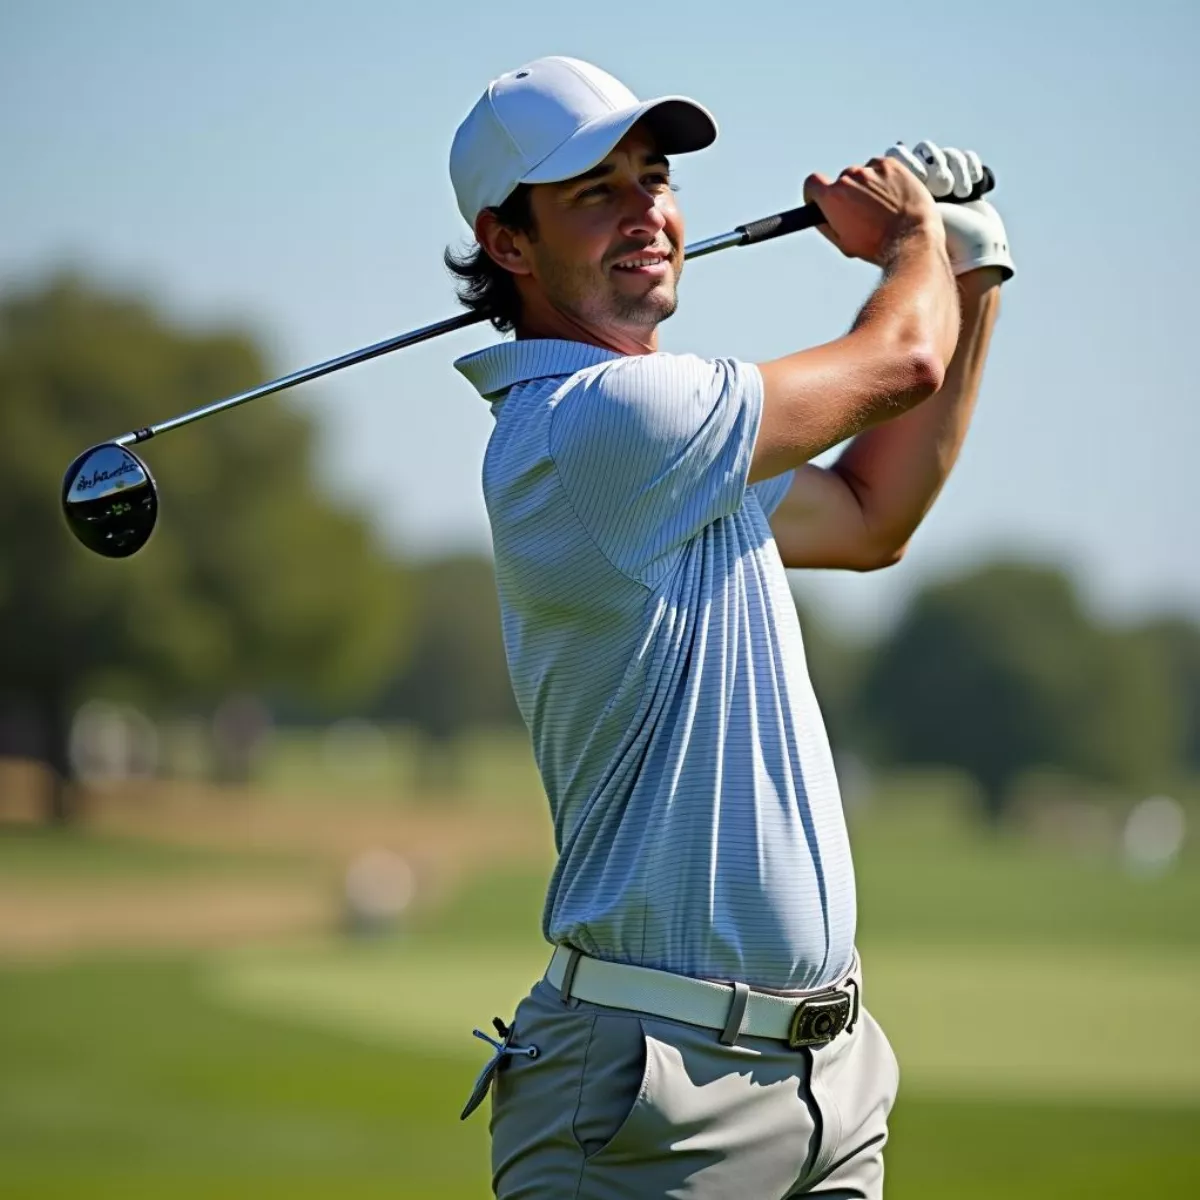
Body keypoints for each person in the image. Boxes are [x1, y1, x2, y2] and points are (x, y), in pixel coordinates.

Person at [447, 55, 1013, 1200]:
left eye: (652, 179)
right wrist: (911, 241)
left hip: (829, 1082)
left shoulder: (663, 448)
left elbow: (869, 516)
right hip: (655, 1100)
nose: (647, 212)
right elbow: (901, 361)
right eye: (593, 192)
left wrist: (970, 269)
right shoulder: (605, 423)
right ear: (509, 244)